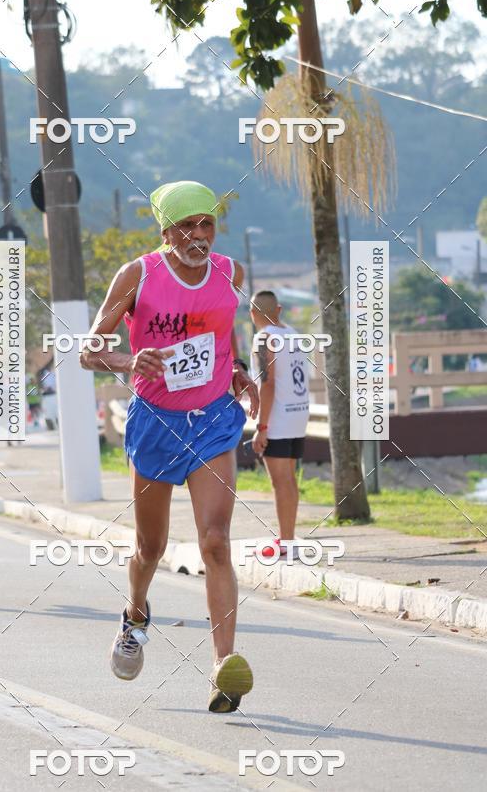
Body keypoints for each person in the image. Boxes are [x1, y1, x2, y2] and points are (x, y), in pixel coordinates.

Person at [80, 180, 259, 713]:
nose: (199, 236)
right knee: (150, 548)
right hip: (156, 423)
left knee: (215, 542)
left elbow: (222, 331)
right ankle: (135, 614)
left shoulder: (230, 272)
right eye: (187, 226)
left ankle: (223, 668)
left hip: (214, 423)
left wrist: (241, 370)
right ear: (166, 232)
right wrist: (125, 362)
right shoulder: (139, 274)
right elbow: (90, 349)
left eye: (206, 224)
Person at [249, 290, 310, 556]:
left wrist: (261, 428)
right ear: (279, 310)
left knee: (281, 481)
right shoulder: (293, 333)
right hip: (298, 414)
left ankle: (286, 542)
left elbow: (268, 383)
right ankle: (288, 538)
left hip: (279, 419)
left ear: (252, 314)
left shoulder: (264, 339)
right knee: (289, 480)